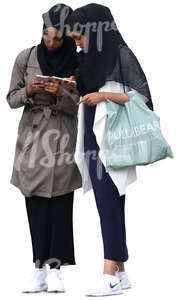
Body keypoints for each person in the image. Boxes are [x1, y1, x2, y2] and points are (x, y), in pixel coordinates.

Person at [65, 3, 154, 297]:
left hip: (113, 137)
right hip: (92, 134)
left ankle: (109, 276)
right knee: (111, 204)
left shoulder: (119, 54)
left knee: (108, 203)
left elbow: (141, 97)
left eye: (79, 38)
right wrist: (73, 83)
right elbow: (86, 87)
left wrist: (103, 95)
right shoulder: (87, 59)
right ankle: (122, 273)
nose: (77, 45)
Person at [6, 3, 82, 293]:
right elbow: (11, 98)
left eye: (57, 38)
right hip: (32, 140)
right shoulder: (25, 57)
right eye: (47, 36)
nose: (51, 43)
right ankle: (38, 268)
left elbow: (80, 104)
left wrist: (60, 92)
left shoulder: (78, 62)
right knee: (36, 204)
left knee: (60, 202)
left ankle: (56, 270)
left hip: (61, 139)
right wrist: (31, 90)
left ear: (65, 36)